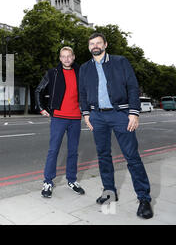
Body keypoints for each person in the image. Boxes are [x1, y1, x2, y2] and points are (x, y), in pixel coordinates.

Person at [79, 32, 153, 219]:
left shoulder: (121, 61)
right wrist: (86, 114)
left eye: (98, 43)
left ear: (105, 44)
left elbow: (133, 87)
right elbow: (82, 93)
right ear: (89, 47)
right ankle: (109, 191)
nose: (95, 46)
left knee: (132, 156)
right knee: (103, 155)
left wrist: (134, 113)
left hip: (120, 114)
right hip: (97, 116)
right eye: (91, 43)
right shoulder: (85, 68)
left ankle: (144, 198)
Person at [35, 46, 85, 198]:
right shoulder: (53, 73)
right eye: (63, 56)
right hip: (58, 117)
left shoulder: (81, 72)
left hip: (76, 118)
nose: (66, 59)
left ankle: (72, 180)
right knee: (53, 150)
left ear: (73, 57)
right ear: (60, 58)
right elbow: (39, 90)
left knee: (73, 151)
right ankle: (48, 181)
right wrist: (41, 108)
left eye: (69, 56)